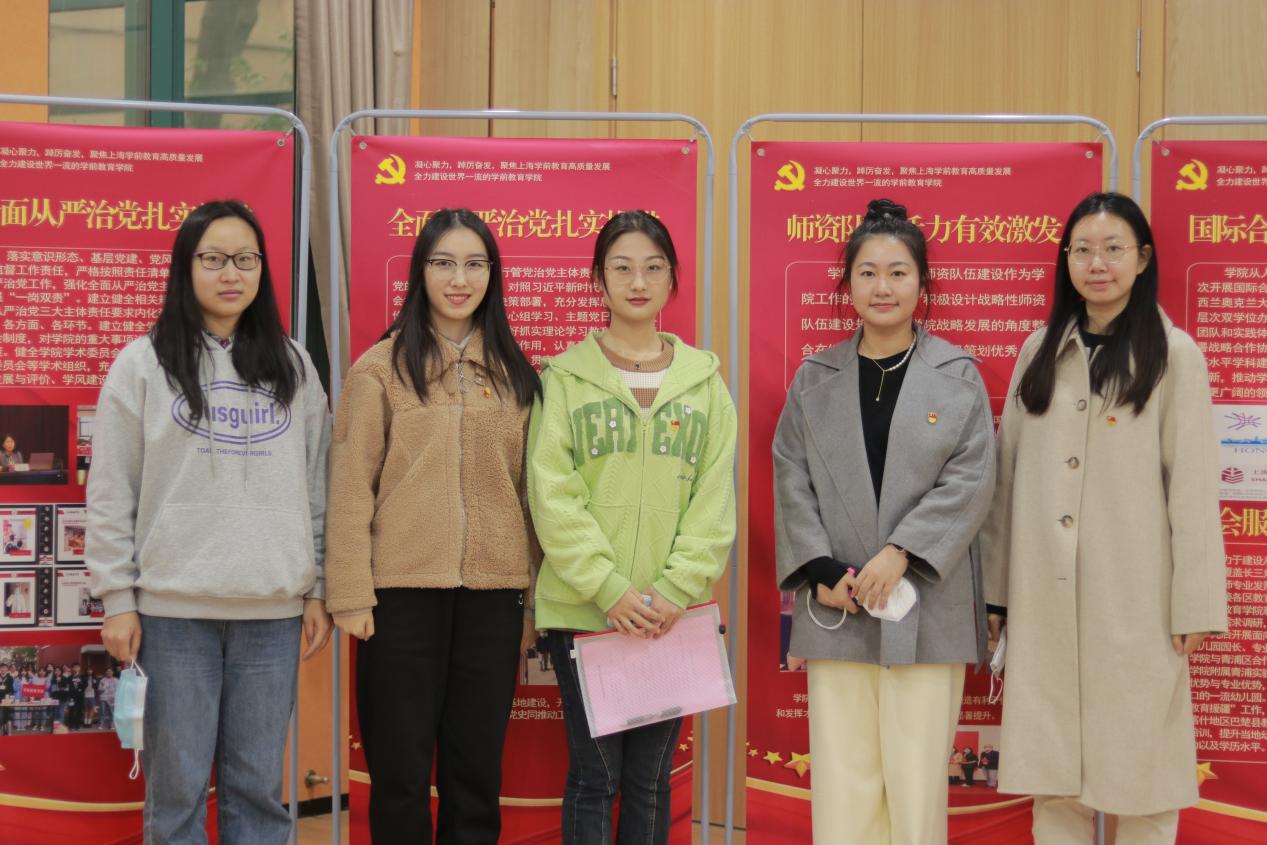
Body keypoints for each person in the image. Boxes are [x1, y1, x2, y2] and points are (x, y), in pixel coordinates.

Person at [982, 192, 1227, 844]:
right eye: (1083, 250)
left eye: (1113, 249)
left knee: (1143, 780)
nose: (1097, 263)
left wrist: (1195, 605)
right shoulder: (1038, 350)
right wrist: (996, 596)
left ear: (1142, 258)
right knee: (1054, 781)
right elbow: (1005, 480)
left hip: (1137, 603)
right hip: (1044, 600)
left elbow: (1193, 490)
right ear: (1066, 259)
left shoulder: (1174, 354)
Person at [87, 199, 333, 844]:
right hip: (172, 615)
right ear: (186, 267)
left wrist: (317, 586)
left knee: (258, 793)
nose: (232, 273)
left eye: (246, 259)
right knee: (177, 795)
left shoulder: (293, 365)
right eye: (215, 258)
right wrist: (118, 598)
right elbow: (111, 489)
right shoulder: (142, 364)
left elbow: (317, 485)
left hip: (272, 614)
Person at [773, 199, 995, 844]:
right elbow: (790, 475)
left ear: (923, 284)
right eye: (867, 272)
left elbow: (972, 481)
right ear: (846, 284)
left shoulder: (957, 375)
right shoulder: (814, 378)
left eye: (898, 272)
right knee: (845, 781)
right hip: (836, 600)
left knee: (917, 780)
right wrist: (822, 570)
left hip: (925, 600)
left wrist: (900, 553)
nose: (883, 287)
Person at [325, 208, 541, 845]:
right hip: (399, 597)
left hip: (494, 597)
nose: (459, 279)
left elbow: (532, 495)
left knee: (476, 773)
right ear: (421, 272)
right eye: (444, 263)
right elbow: (350, 488)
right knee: (400, 773)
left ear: (492, 275)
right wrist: (350, 593)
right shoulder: (378, 369)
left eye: (475, 264)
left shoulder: (518, 375)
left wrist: (533, 597)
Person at [529, 210, 737, 845]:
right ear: (599, 279)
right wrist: (609, 588)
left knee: (650, 780)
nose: (638, 281)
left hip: (670, 615)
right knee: (596, 778)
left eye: (653, 267)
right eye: (622, 268)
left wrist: (674, 589)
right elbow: (552, 494)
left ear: (673, 278)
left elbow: (713, 499)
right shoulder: (563, 379)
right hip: (586, 610)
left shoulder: (705, 384)